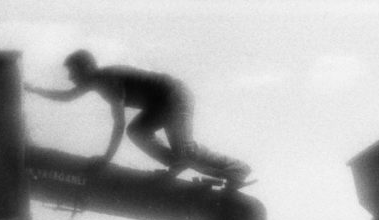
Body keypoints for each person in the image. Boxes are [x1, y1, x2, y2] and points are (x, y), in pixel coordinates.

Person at [25, 49, 251, 188]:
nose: (71, 78)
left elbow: (119, 124)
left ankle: (238, 168)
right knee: (140, 133)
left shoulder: (107, 80)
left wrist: (106, 158)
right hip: (159, 103)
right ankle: (176, 162)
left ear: (86, 68)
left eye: (72, 72)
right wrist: (34, 90)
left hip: (174, 97)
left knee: (185, 150)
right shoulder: (93, 81)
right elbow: (67, 96)